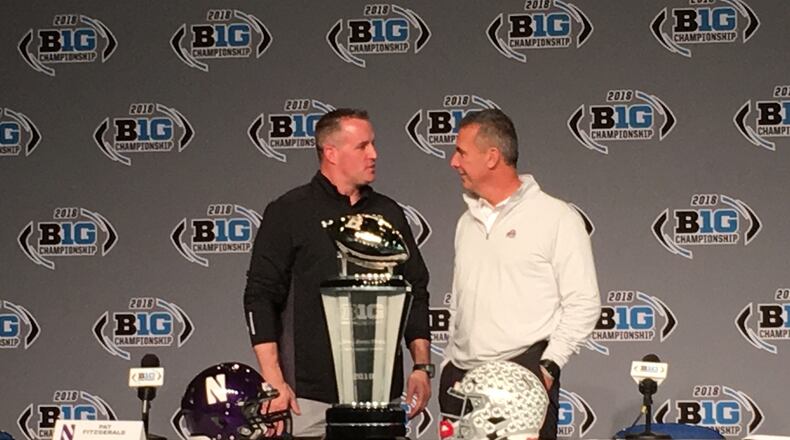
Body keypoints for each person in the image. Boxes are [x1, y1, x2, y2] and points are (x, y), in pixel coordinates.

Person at [243, 108, 433, 439]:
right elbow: (260, 296)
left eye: (373, 144)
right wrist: (274, 382)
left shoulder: (388, 213)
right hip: (310, 398)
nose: (374, 154)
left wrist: (421, 366)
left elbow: (415, 289)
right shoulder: (289, 211)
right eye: (362, 146)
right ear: (331, 152)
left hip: (381, 398)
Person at [441, 108, 601, 440]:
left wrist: (548, 366)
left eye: (461, 152)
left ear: (492, 157)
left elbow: (583, 303)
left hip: (521, 382)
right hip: (462, 382)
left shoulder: (556, 217)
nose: (453, 162)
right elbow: (458, 304)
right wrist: (447, 363)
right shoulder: (465, 223)